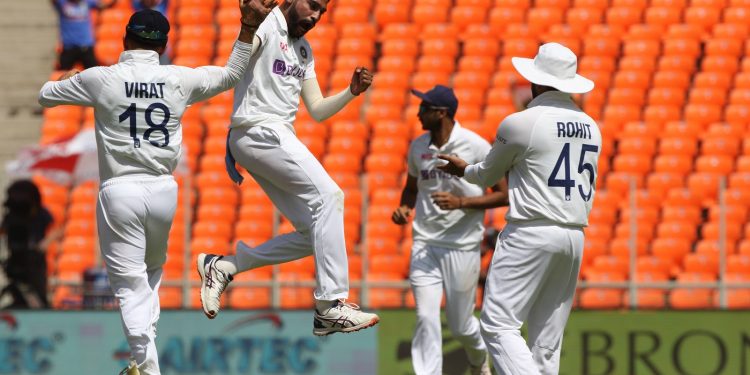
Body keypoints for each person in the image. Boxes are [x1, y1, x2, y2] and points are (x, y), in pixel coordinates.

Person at [38, 1, 274, 373]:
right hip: (164, 190)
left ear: (124, 39)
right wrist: (247, 28)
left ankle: (147, 367)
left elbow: (45, 94)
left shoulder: (102, 78)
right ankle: (142, 359)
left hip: (121, 189)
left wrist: (70, 81)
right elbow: (231, 74)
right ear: (163, 46)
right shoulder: (178, 78)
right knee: (150, 276)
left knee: (129, 286)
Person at [196, 0, 380, 336]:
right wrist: (247, 24)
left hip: (269, 135)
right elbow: (236, 66)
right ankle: (330, 304)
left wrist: (351, 94)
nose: (315, 15)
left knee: (315, 232)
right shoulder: (266, 25)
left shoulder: (304, 51)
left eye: (322, 12)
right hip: (258, 129)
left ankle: (223, 266)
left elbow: (319, 110)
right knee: (330, 197)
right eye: (312, 5)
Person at [437, 43, 601, 374]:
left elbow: (487, 175)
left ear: (536, 81)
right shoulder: (591, 126)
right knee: (546, 339)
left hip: (530, 230)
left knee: (497, 325)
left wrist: (463, 169)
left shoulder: (522, 122)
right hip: (573, 236)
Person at [391, 85, 509, 375]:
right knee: (425, 317)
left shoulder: (476, 145)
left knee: (462, 326)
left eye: (424, 109)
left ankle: (479, 358)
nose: (418, 114)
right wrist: (405, 208)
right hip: (425, 244)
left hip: (462, 246)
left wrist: (461, 202)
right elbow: (410, 190)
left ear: (441, 113)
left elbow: (504, 194)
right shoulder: (418, 147)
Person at [0, 180, 63, 309]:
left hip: (35, 261)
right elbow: (3, 230)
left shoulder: (41, 212)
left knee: (37, 295)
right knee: (18, 293)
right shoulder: (12, 215)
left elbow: (57, 229)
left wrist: (42, 245)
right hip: (16, 259)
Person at [50, 0, 117, 70]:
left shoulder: (87, 2)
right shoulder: (62, 3)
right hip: (68, 48)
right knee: (62, 75)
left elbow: (104, 5)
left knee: (94, 75)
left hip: (86, 47)